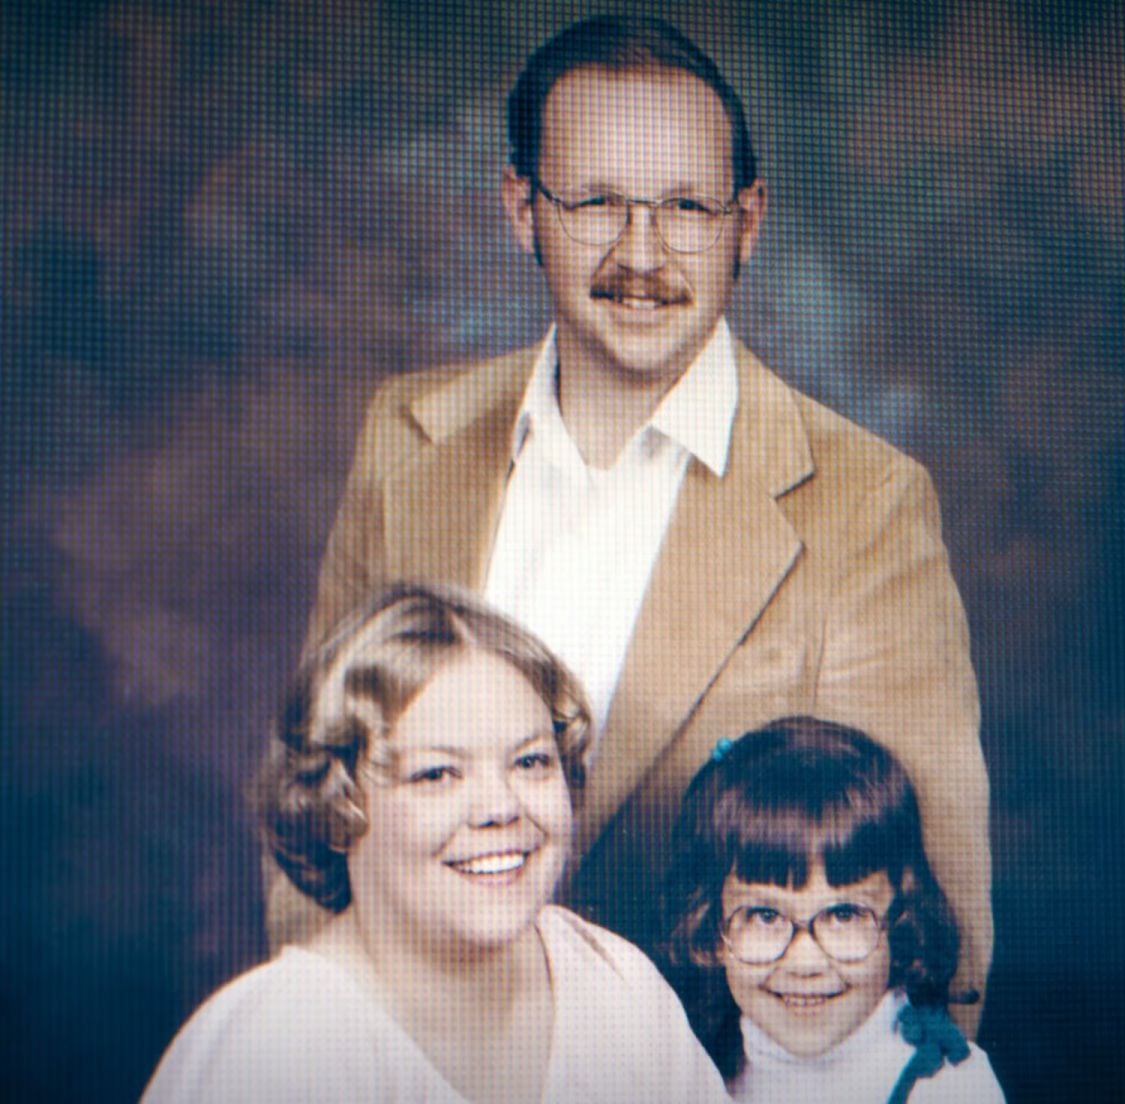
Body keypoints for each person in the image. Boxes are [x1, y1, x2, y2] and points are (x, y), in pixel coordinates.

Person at [290, 14, 991, 1034]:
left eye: (686, 208)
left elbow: (933, 927)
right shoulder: (406, 440)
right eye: (597, 203)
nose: (643, 254)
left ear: (746, 223)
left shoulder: (867, 505)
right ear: (520, 208)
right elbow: (319, 808)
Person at [143, 583, 730, 1103]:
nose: (501, 808)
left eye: (530, 762)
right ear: (338, 806)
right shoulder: (271, 1054)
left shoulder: (614, 988)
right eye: (437, 774)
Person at [660, 716, 1005, 1103]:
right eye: (766, 916)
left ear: (901, 924)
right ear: (712, 933)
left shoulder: (947, 1089)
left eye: (843, 914)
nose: (805, 962)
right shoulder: (691, 1073)